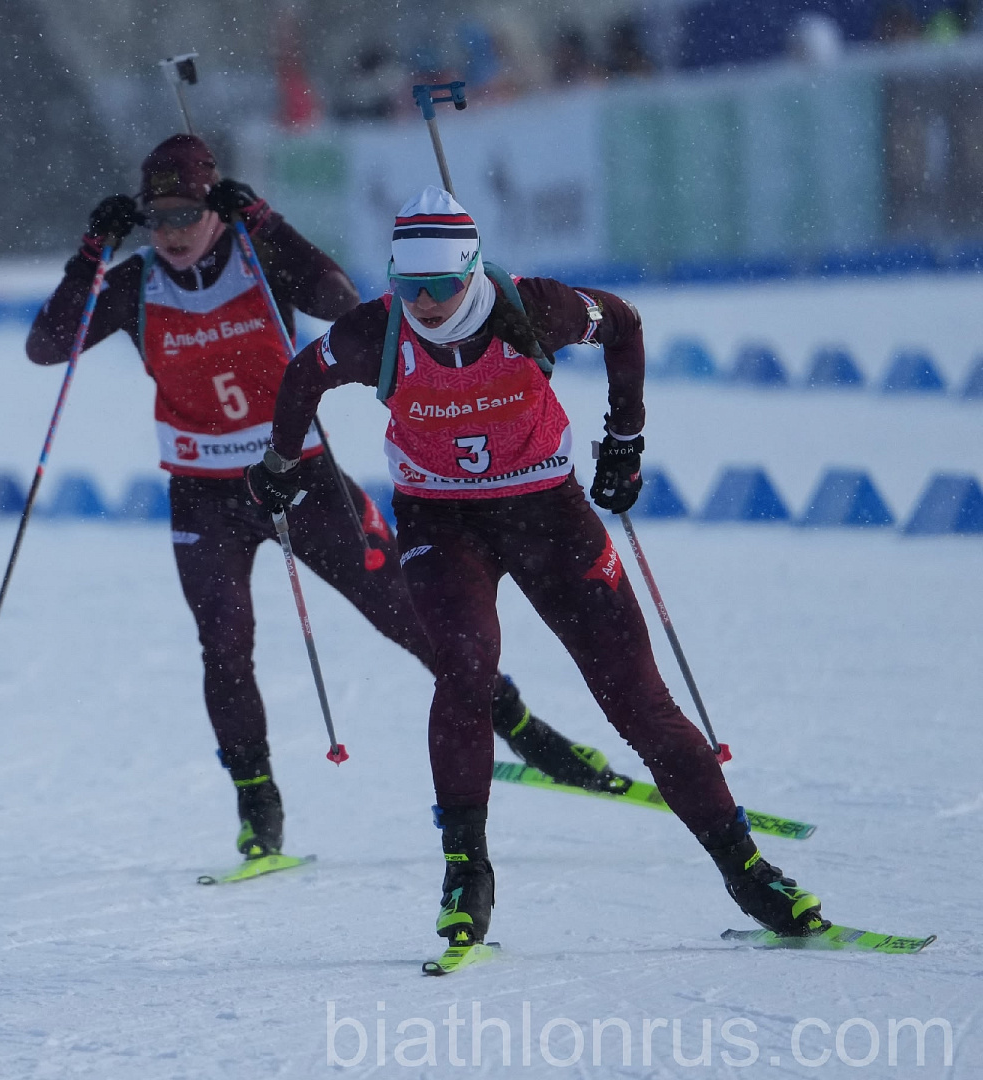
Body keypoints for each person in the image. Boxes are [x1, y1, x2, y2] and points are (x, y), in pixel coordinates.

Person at [27, 137, 633, 868]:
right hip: (202, 494)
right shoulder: (135, 284)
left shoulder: (259, 256)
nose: (174, 231)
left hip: (300, 477)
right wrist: (93, 248)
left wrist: (266, 222)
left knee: (411, 621)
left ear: (217, 208)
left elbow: (339, 299)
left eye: (190, 211)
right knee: (224, 645)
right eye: (157, 218)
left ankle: (531, 735)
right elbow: (47, 345)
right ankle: (258, 807)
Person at [245, 187, 828, 945]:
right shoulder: (377, 332)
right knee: (464, 668)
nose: (422, 303)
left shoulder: (535, 310)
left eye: (440, 286)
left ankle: (748, 872)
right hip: (441, 518)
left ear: (473, 270)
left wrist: (626, 440)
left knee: (639, 701)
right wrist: (280, 462)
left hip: (547, 514)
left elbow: (623, 324)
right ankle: (466, 874)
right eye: (407, 285)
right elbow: (302, 376)